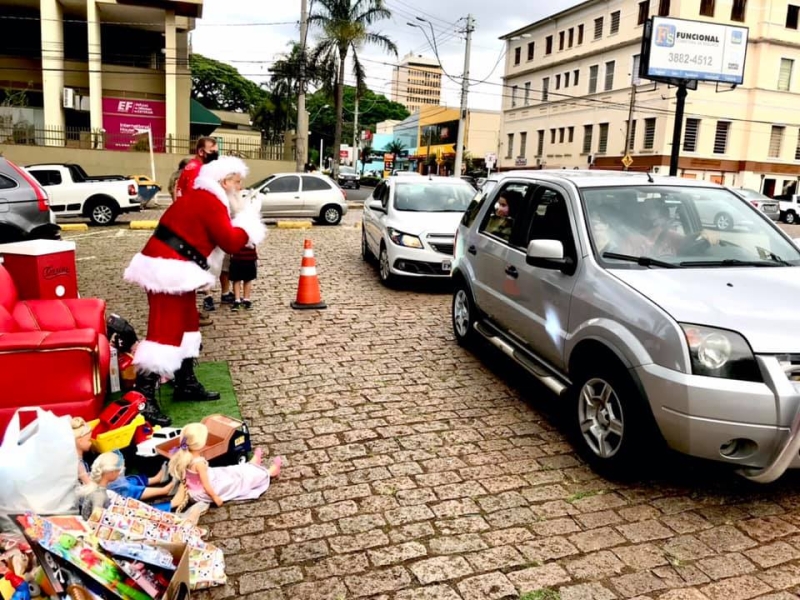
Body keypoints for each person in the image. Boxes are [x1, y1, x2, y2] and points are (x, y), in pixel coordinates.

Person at [123, 156, 266, 426]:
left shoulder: (206, 197)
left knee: (188, 325)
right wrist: (249, 221)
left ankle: (185, 381)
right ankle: (142, 398)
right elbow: (230, 241)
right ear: (224, 182)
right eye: (237, 182)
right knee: (164, 332)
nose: (240, 188)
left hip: (176, 267)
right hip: (167, 269)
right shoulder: (209, 200)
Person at [168, 423, 282, 507]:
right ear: (201, 444)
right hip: (205, 491)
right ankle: (268, 473)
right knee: (238, 480)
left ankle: (251, 465)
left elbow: (187, 477)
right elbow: (206, 485)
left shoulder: (185, 456)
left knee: (230, 470)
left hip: (199, 486)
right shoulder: (199, 463)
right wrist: (215, 497)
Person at [175, 137, 224, 314]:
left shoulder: (191, 167)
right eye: (212, 150)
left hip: (188, 221)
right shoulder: (197, 170)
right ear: (202, 151)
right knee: (199, 261)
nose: (215, 153)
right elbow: (197, 197)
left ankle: (201, 298)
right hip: (194, 223)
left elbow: (178, 191)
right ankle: (198, 303)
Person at [228, 191, 259, 311]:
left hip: (238, 257)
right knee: (246, 279)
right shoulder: (252, 226)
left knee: (238, 279)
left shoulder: (236, 225)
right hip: (246, 257)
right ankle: (245, 299)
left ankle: (238, 299)